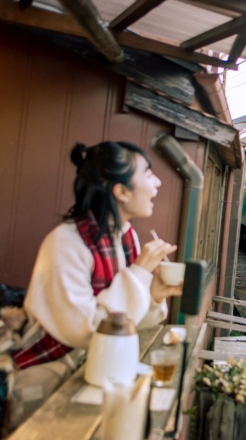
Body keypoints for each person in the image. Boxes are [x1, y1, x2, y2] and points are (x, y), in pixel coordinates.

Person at [11, 141, 183, 370]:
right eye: (148, 174)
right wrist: (139, 274)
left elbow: (130, 322)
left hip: (100, 363)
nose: (158, 182)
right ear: (121, 191)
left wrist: (153, 296)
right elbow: (85, 331)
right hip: (50, 372)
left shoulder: (126, 235)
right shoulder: (66, 242)